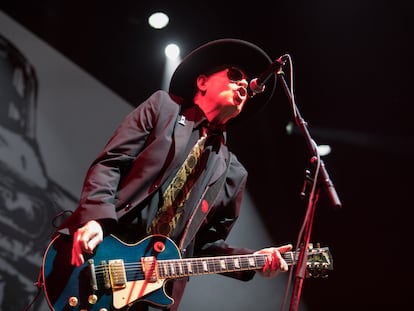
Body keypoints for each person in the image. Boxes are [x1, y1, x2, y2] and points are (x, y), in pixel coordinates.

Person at [54, 38, 292, 311]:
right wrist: (95, 220)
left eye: (247, 84)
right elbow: (111, 163)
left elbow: (205, 245)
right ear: (202, 82)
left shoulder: (233, 173)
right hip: (103, 255)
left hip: (152, 291)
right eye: (234, 75)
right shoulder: (164, 108)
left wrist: (256, 260)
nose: (243, 85)